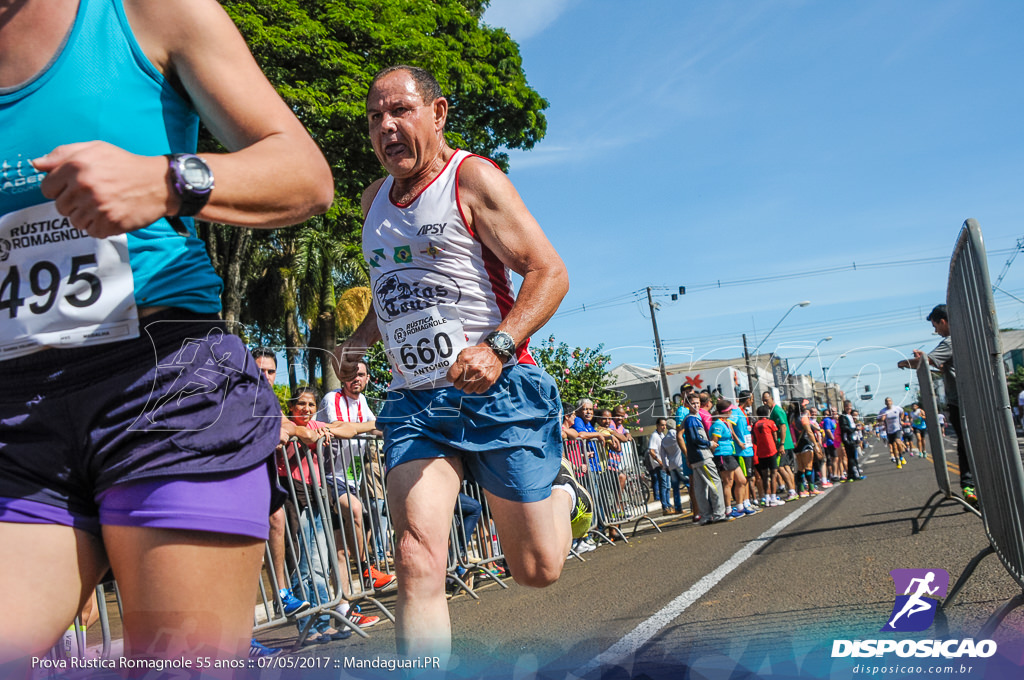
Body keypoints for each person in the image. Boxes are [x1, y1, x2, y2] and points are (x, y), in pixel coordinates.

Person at [0, 0, 333, 668]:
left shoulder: (149, 10)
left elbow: (306, 177)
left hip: (162, 384)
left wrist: (166, 179)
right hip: (19, 412)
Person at [332, 65, 590, 662]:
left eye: (400, 111)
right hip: (415, 402)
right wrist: (357, 341)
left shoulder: (470, 178)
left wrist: (498, 346)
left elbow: (549, 272)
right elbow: (400, 295)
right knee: (416, 555)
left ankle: (562, 497)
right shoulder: (373, 200)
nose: (386, 127)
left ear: (438, 113)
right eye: (375, 117)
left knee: (536, 569)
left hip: (496, 390)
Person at [897, 304, 974, 504]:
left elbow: (927, 361)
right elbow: (944, 367)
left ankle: (969, 486)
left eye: (935, 326)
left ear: (943, 321)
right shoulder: (969, 336)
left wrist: (904, 363)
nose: (935, 331)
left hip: (961, 402)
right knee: (976, 443)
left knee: (966, 445)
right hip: (977, 399)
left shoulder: (949, 341)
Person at [681, 394, 726, 524]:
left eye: (697, 403)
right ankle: (719, 513)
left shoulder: (688, 419)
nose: (696, 405)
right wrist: (710, 444)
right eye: (693, 403)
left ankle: (705, 515)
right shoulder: (693, 419)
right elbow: (696, 439)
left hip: (695, 458)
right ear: (687, 405)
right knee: (715, 483)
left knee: (700, 488)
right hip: (702, 456)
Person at [762, 392, 798, 501]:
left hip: (783, 444)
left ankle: (791, 490)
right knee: (786, 467)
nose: (764, 402)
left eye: (766, 400)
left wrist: (781, 443)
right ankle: (792, 490)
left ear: (772, 399)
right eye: (763, 400)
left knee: (780, 467)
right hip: (784, 443)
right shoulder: (774, 411)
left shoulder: (777, 411)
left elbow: (783, 427)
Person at [878, 397, 907, 468]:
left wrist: (901, 419)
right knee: (893, 446)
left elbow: (902, 412)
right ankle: (897, 459)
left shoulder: (897, 408)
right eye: (887, 401)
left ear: (892, 402)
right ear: (885, 403)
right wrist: (881, 419)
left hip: (897, 428)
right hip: (889, 430)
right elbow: (878, 419)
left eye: (889, 401)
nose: (888, 402)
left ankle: (901, 456)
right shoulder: (883, 411)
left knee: (897, 441)